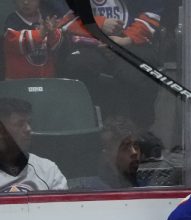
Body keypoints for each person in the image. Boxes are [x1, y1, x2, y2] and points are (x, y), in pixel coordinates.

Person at [60, 0, 163, 128]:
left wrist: (126, 40)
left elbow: (151, 12)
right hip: (90, 42)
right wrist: (99, 24)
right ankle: (89, 127)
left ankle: (138, 128)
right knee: (77, 65)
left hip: (130, 42)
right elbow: (65, 18)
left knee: (137, 73)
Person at [0, 97, 67, 192]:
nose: (28, 129)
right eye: (20, 124)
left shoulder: (48, 170)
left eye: (29, 123)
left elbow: (63, 205)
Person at [69, 115, 144, 189]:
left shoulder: (148, 185)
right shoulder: (87, 189)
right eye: (125, 148)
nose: (134, 153)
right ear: (106, 154)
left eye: (136, 146)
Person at [2, 0, 66, 79]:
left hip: (46, 79)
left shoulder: (47, 18)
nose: (25, 2)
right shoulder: (12, 21)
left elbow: (57, 47)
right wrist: (41, 33)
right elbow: (13, 41)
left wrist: (52, 32)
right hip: (18, 81)